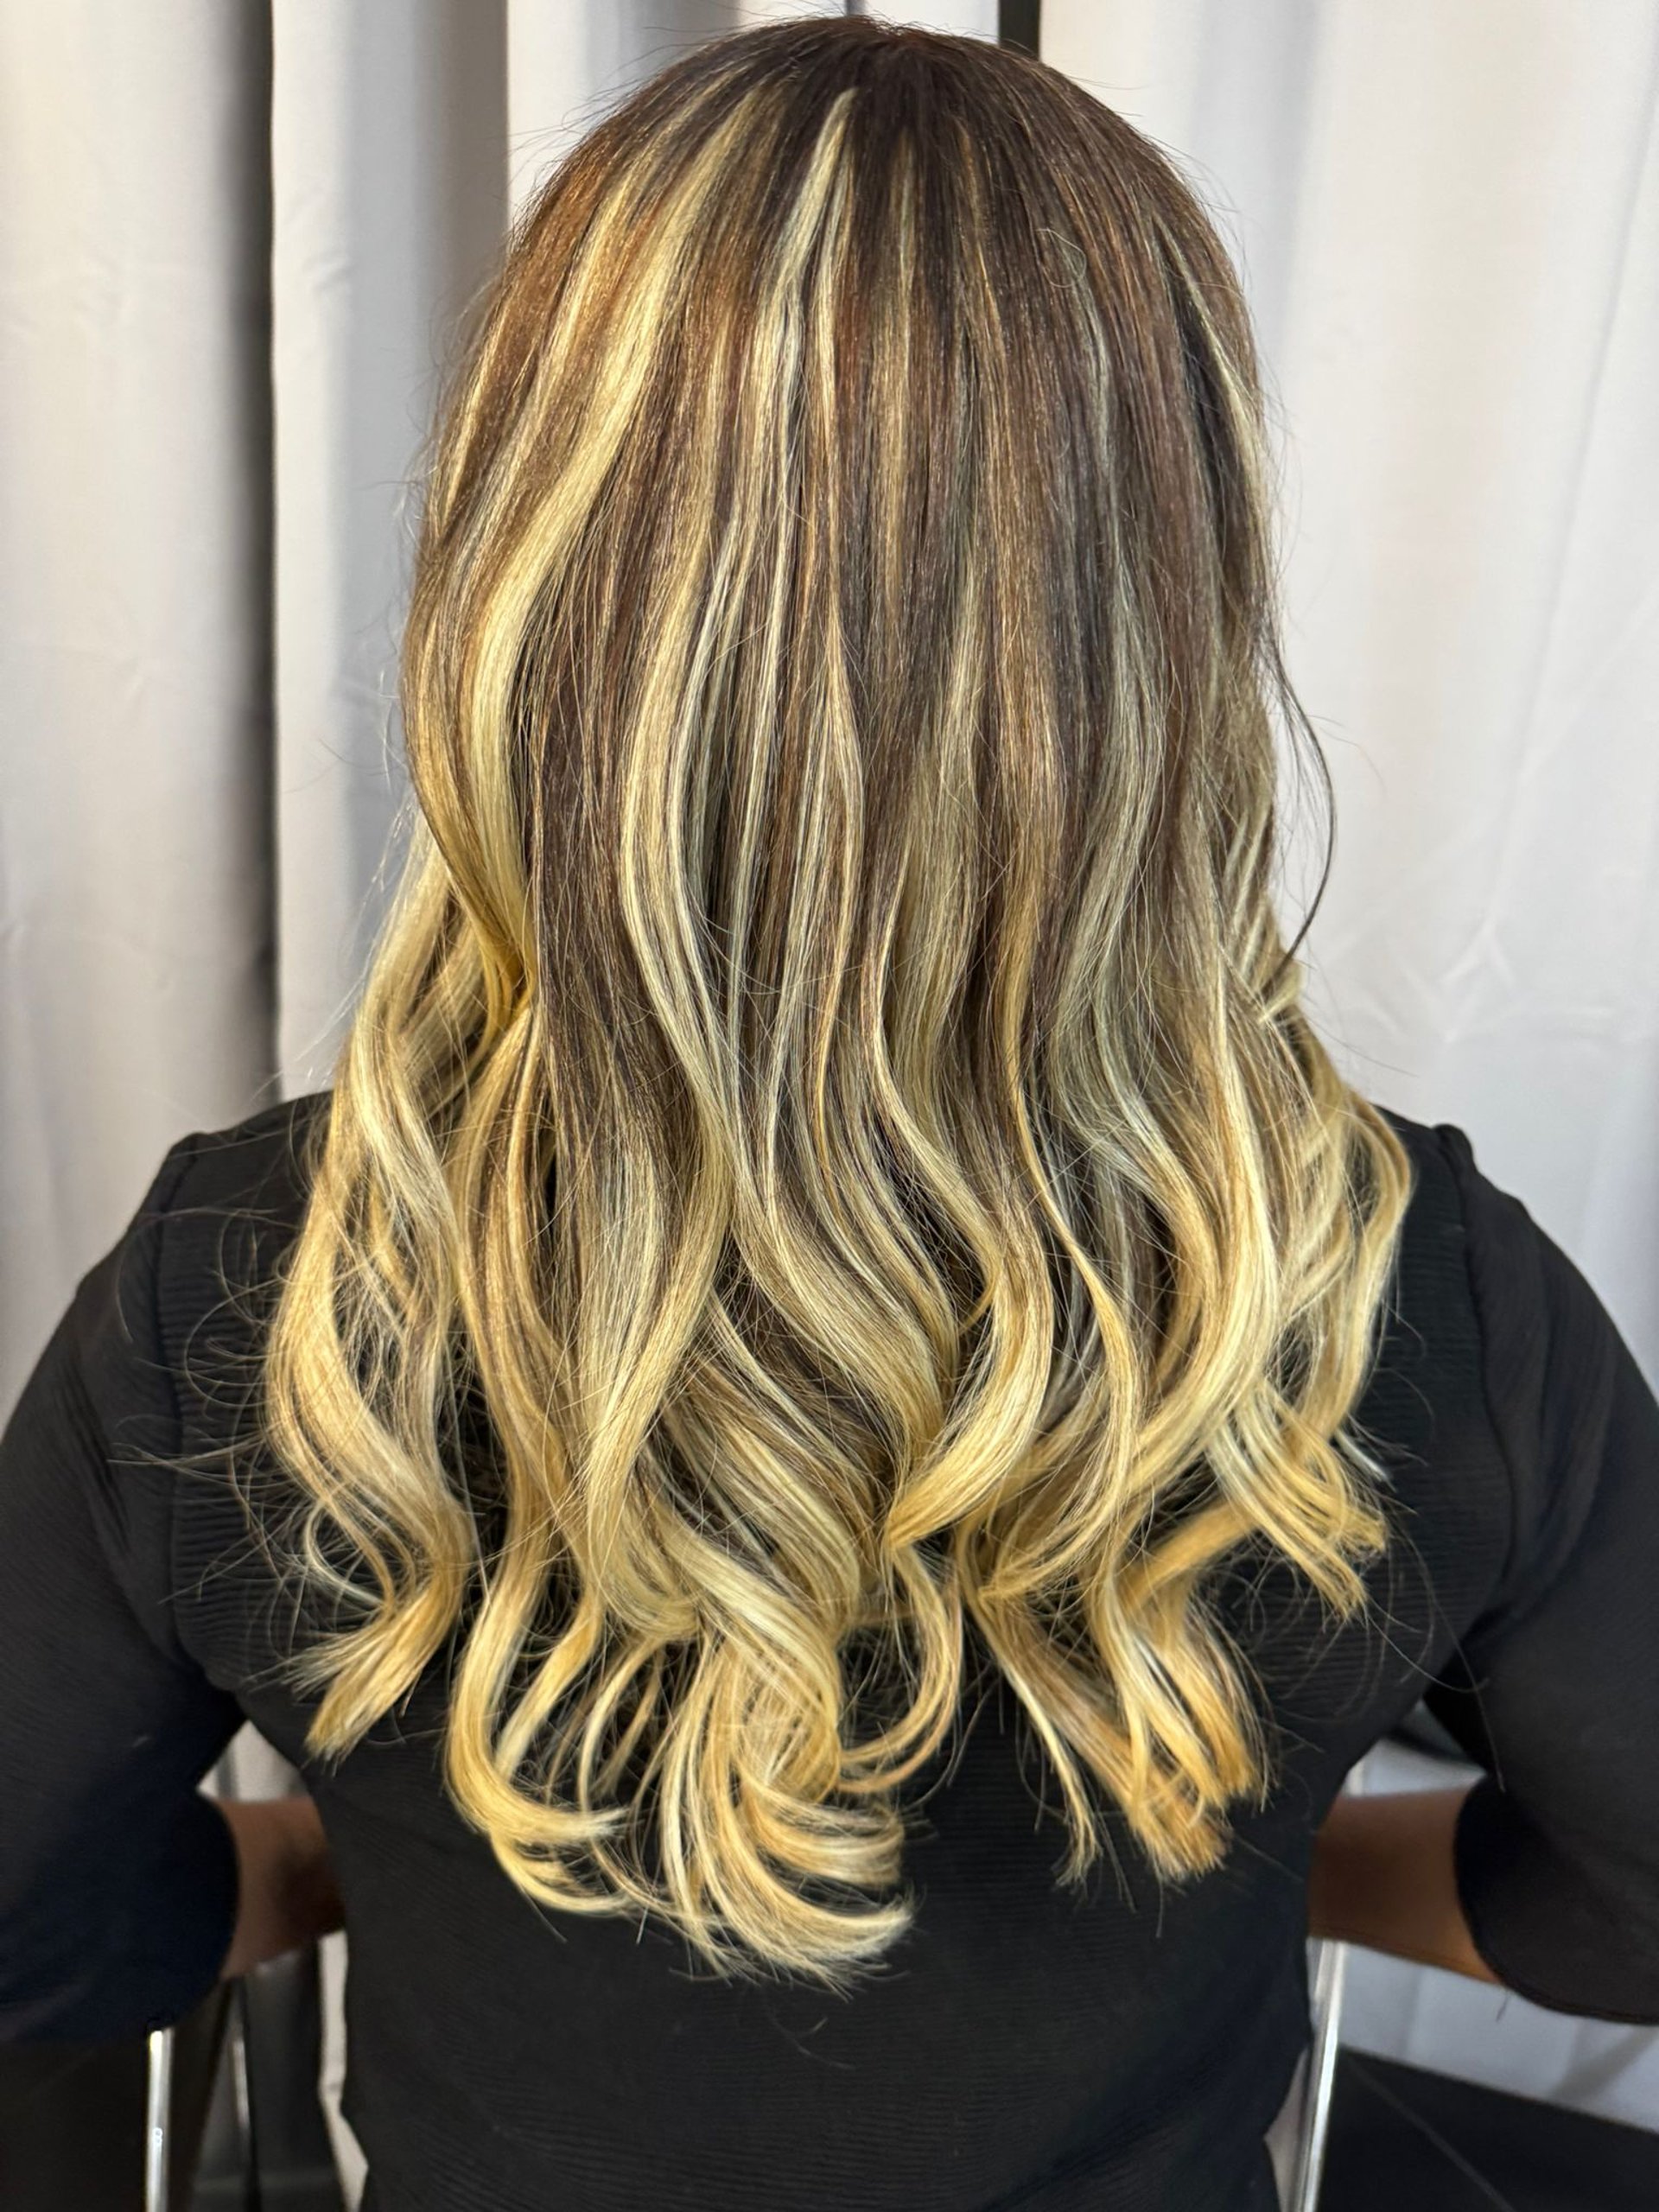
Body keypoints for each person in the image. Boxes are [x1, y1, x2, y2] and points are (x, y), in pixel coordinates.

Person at [2, 17, 1656, 2211]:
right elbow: (1637, 1894)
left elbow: (31, 1924)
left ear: (530, 585)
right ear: (1165, 618)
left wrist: (319, 1864)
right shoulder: (1407, 1296)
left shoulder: (259, 1288)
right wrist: (1311, 1862)